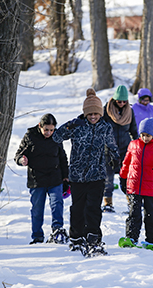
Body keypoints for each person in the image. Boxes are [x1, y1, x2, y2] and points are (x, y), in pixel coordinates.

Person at [53, 88, 119, 256]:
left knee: (94, 208)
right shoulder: (77, 125)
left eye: (96, 114)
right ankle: (76, 238)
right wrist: (69, 126)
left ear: (100, 113)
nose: (93, 117)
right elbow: (56, 137)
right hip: (77, 175)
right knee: (78, 208)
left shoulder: (105, 127)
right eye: (90, 114)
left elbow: (112, 145)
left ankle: (93, 238)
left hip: (97, 175)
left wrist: (115, 157)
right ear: (85, 114)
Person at [14, 113, 69, 245]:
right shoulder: (30, 136)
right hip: (36, 179)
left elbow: (63, 158)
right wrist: (22, 160)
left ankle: (57, 231)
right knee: (37, 209)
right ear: (40, 126)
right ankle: (37, 236)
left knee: (57, 205)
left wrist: (66, 178)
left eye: (51, 129)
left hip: (55, 178)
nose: (49, 133)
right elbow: (18, 155)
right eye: (46, 130)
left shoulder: (57, 137)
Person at [119, 118, 153, 251]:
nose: (145, 138)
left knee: (151, 215)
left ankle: (152, 240)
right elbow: (126, 163)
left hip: (150, 187)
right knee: (134, 213)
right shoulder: (133, 144)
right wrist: (123, 178)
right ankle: (131, 237)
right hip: (134, 186)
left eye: (148, 135)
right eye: (143, 135)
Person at [102, 85, 138, 212]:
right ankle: (108, 202)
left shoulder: (130, 111)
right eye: (119, 101)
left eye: (124, 101)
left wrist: (138, 146)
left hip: (125, 150)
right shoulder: (106, 110)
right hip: (109, 149)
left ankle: (131, 202)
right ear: (114, 99)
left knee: (128, 177)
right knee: (108, 178)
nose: (122, 103)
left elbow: (134, 130)